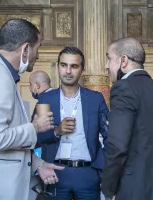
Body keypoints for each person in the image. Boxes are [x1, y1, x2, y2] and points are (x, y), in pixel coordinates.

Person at [0, 19, 63, 199]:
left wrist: (37, 163)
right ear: (25, 49)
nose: (38, 55)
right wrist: (36, 127)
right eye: (37, 48)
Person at [101, 37, 153, 200]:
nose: (106, 65)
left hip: (135, 187)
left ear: (123, 60)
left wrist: (108, 189)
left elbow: (117, 146)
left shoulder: (123, 88)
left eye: (108, 58)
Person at [33, 47, 109, 200]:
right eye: (64, 65)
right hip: (55, 172)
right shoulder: (46, 99)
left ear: (83, 70)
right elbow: (34, 138)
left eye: (74, 66)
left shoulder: (95, 99)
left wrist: (102, 167)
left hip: (88, 173)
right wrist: (56, 131)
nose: (68, 71)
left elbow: (109, 135)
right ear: (58, 67)